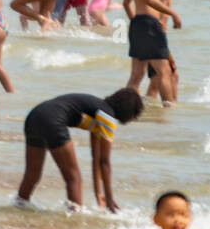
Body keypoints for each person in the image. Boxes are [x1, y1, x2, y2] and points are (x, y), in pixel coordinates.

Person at [13, 87, 144, 213]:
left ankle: (19, 206)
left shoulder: (96, 108)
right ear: (129, 111)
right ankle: (75, 216)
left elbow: (96, 158)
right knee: (73, 178)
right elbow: (104, 162)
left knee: (32, 175)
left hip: (34, 116)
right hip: (53, 121)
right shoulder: (107, 116)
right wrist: (110, 200)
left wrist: (98, 193)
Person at [122, 0, 181, 102]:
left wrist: (137, 23)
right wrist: (173, 14)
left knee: (137, 75)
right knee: (164, 72)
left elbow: (126, 2)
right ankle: (169, 112)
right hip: (149, 24)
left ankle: (125, 111)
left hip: (138, 24)